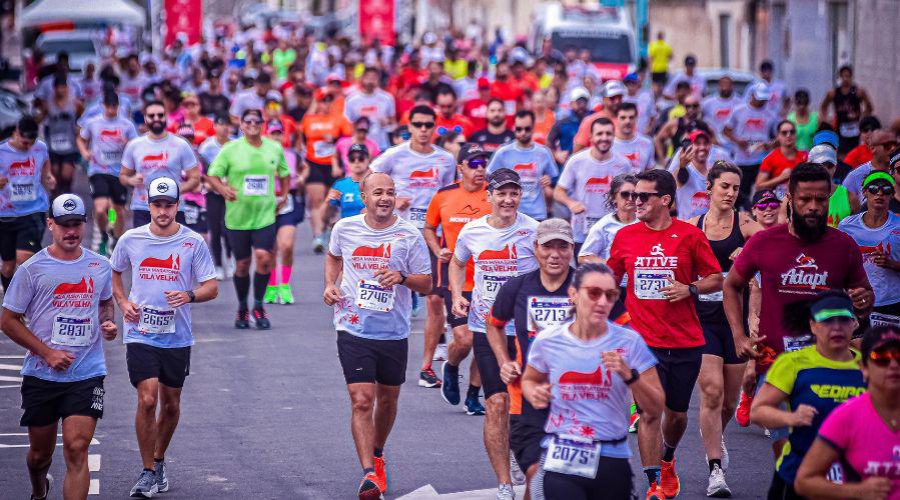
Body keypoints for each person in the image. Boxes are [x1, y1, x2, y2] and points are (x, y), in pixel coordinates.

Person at [724, 163, 872, 460]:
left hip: (829, 365)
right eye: (805, 199)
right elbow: (732, 285)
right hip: (777, 362)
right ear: (790, 198)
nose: (814, 207)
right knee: (788, 450)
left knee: (827, 451)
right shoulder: (764, 242)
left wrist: (862, 301)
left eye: (821, 199)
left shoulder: (843, 246)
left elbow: (864, 296)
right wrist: (739, 337)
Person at [606, 168, 723, 500]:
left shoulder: (689, 236)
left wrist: (690, 288)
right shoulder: (625, 236)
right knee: (648, 412)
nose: (635, 201)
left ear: (665, 200)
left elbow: (716, 278)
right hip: (642, 343)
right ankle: (654, 481)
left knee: (676, 414)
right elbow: (610, 278)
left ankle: (668, 458)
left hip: (685, 340)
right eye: (631, 195)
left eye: (643, 196)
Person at [323, 172, 432, 499]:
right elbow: (333, 256)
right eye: (378, 193)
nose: (384, 198)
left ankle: (378, 452)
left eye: (390, 192)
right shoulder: (345, 228)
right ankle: (369, 473)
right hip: (352, 325)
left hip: (394, 330)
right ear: (364, 197)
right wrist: (330, 285)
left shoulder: (409, 234)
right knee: (361, 400)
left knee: (387, 400)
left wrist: (401, 278)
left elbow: (426, 284)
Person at [0, 194, 116, 500]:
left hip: (87, 371)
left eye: (76, 224)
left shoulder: (100, 266)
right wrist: (47, 352)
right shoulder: (32, 269)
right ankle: (39, 489)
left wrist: (107, 322)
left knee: (77, 448)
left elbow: (105, 302)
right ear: (50, 224)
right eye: (64, 224)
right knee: (39, 456)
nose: (71, 231)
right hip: (42, 376)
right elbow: (8, 320)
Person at [109, 177, 218, 497]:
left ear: (177, 205)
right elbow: (115, 271)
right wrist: (123, 302)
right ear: (148, 204)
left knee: (170, 406)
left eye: (168, 205)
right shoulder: (131, 239)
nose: (162, 211)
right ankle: (146, 471)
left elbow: (211, 287)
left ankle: (159, 460)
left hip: (177, 335)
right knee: (148, 397)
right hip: (141, 331)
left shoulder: (192, 242)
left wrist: (189, 295)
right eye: (157, 205)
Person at [521, 262, 665, 499]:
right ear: (573, 294)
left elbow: (656, 407)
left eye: (610, 295)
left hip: (611, 455)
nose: (602, 302)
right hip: (563, 455)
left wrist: (630, 376)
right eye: (594, 293)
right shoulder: (548, 340)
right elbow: (530, 379)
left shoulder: (630, 342)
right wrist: (533, 392)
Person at [448, 168, 539, 500]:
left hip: (529, 330)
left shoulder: (533, 230)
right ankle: (504, 483)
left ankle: (522, 451)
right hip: (487, 328)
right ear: (489, 196)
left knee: (527, 401)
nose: (507, 199)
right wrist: (458, 295)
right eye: (501, 193)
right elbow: (457, 264)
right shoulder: (472, 232)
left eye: (514, 193)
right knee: (497, 402)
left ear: (520, 197)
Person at [486, 218, 577, 498]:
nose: (555, 254)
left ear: (572, 250)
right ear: (536, 248)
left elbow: (621, 327)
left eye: (562, 247)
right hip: (527, 397)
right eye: (548, 246)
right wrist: (505, 362)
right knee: (537, 474)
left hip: (578, 399)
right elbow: (494, 324)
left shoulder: (586, 286)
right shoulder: (517, 287)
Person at [687, 162, 763, 497]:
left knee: (729, 401)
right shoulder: (693, 227)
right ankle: (714, 469)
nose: (731, 193)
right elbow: (678, 265)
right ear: (709, 188)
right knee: (713, 391)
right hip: (702, 320)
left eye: (735, 188)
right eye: (725, 187)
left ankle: (717, 439)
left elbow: (773, 251)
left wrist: (747, 255)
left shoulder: (745, 224)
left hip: (735, 320)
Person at [749, 290, 866, 499]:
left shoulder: (867, 368)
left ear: (854, 324)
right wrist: (790, 418)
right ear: (813, 325)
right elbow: (758, 412)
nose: (836, 327)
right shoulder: (793, 363)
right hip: (798, 471)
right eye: (827, 320)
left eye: (843, 319)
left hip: (854, 477)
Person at [207, 108, 291, 330]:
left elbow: (284, 173)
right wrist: (223, 190)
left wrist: (283, 195)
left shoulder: (274, 147)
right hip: (238, 217)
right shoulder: (230, 149)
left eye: (257, 121)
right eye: (248, 121)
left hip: (265, 215)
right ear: (241, 125)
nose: (253, 124)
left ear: (262, 124)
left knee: (264, 258)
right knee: (242, 264)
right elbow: (213, 174)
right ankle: (243, 306)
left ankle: (258, 304)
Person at [795, 326, 900, 500]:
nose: (894, 365)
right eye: (881, 357)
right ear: (864, 368)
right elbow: (805, 481)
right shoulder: (847, 416)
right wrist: (857, 491)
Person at [424, 144, 492, 408]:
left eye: (483, 163)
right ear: (460, 167)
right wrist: (437, 248)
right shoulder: (443, 196)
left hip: (490, 279)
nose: (480, 169)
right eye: (473, 164)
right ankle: (451, 366)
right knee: (465, 338)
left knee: (486, 340)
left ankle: (474, 394)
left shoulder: (493, 195)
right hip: (458, 278)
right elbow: (429, 227)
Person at [554, 117, 632, 254]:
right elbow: (558, 192)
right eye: (599, 134)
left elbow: (631, 195)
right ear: (591, 137)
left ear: (614, 136)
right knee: (584, 273)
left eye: (608, 134)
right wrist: (571, 203)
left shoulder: (623, 163)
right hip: (582, 230)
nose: (604, 137)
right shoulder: (576, 160)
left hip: (612, 229)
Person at [120, 100, 201, 228]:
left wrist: (175, 190)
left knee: (173, 248)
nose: (156, 118)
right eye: (151, 116)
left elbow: (195, 178)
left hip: (173, 207)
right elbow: (123, 176)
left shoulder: (181, 144)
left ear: (166, 117)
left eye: (160, 115)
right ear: (145, 119)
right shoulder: (134, 145)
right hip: (143, 207)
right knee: (144, 248)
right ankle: (108, 231)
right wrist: (131, 180)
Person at [77, 91, 137, 255]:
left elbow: (136, 146)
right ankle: (104, 235)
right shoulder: (93, 123)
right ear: (103, 106)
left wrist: (128, 145)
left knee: (119, 210)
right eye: (109, 106)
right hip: (98, 170)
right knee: (100, 208)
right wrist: (84, 152)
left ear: (118, 106)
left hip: (120, 172)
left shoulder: (127, 125)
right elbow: (81, 138)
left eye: (114, 106)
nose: (111, 110)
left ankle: (116, 240)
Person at [838, 172, 900, 327]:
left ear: (892, 194)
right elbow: (838, 263)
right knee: (854, 347)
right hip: (856, 300)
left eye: (885, 189)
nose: (879, 193)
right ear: (864, 192)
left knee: (887, 350)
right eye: (873, 188)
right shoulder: (846, 225)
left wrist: (892, 264)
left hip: (891, 302)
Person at [0, 116, 54, 292]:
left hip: (33, 210)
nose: (28, 147)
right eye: (24, 143)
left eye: (31, 143)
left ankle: (33, 296)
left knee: (24, 257)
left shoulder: (40, 147)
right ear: (16, 133)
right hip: (6, 215)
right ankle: (11, 302)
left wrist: (48, 176)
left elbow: (45, 164)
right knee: (7, 267)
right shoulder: (2, 152)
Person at [298, 89, 353, 253]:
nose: (325, 104)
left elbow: (349, 138)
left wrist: (335, 139)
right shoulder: (309, 119)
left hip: (333, 165)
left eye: (329, 100)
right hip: (313, 163)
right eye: (322, 100)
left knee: (330, 202)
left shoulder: (339, 119)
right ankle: (317, 236)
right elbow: (301, 138)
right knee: (316, 200)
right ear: (317, 103)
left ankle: (327, 226)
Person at [263, 121, 306, 305]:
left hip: (286, 202)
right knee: (271, 248)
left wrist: (302, 178)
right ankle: (272, 285)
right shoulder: (260, 155)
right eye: (273, 133)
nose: (276, 137)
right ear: (267, 135)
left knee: (286, 245)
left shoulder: (291, 155)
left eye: (279, 133)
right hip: (265, 205)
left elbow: (303, 167)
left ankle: (285, 285)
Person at [487, 110, 558, 221]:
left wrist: (549, 180)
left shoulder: (544, 152)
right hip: (510, 212)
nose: (523, 132)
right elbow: (489, 177)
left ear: (534, 127)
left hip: (537, 214)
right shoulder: (503, 152)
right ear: (514, 128)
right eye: (519, 129)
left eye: (527, 129)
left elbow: (555, 179)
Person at [723, 82, 779, 209]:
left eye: (764, 99)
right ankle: (742, 215)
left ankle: (759, 213)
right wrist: (737, 141)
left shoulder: (770, 114)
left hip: (762, 160)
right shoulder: (739, 111)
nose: (762, 102)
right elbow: (726, 130)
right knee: (741, 193)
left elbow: (777, 137)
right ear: (753, 95)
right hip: (742, 160)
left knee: (763, 191)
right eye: (760, 99)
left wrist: (769, 144)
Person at [198, 115, 234, 280]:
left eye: (227, 125)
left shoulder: (235, 144)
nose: (224, 128)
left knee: (230, 228)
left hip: (231, 192)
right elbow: (201, 170)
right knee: (215, 229)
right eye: (221, 124)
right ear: (215, 127)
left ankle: (230, 258)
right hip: (213, 192)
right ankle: (218, 265)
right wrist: (211, 183)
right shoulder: (206, 147)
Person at [579, 173, 638, 265]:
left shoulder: (646, 222)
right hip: (615, 278)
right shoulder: (604, 225)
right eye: (625, 194)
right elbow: (584, 257)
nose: (630, 199)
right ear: (614, 197)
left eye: (635, 195)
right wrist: (611, 265)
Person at [819, 65, 874, 155]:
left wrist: (863, 118)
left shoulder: (858, 91)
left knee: (856, 151)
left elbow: (870, 107)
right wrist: (826, 120)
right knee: (841, 153)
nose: (845, 79)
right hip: (840, 127)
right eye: (843, 76)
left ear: (851, 77)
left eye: (848, 76)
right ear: (840, 77)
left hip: (855, 127)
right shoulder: (833, 93)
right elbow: (823, 106)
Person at [43, 74, 83, 198]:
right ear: (54, 89)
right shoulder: (47, 104)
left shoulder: (75, 103)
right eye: (58, 87)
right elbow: (41, 119)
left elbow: (82, 118)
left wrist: (79, 127)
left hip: (69, 144)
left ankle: (67, 196)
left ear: (67, 88)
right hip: (53, 144)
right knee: (55, 175)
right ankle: (56, 200)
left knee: (66, 175)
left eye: (63, 87)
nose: (60, 90)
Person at [344, 67, 396, 150]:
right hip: (359, 146)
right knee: (357, 162)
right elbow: (346, 126)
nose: (370, 81)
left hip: (381, 145)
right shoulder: (351, 100)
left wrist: (387, 123)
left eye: (374, 78)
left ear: (378, 80)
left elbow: (394, 123)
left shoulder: (387, 98)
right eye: (368, 77)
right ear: (362, 78)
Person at [654, 94, 714, 163]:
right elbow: (658, 140)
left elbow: (714, 144)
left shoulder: (703, 125)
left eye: (694, 106)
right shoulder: (674, 124)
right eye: (688, 106)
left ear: (699, 107)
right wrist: (662, 160)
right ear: (683, 106)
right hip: (678, 165)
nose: (691, 109)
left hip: (698, 165)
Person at [755, 120, 809, 197]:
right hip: (778, 204)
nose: (788, 135)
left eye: (792, 132)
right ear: (778, 136)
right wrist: (781, 178)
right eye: (784, 133)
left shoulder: (805, 156)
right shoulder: (770, 159)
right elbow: (758, 187)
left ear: (796, 134)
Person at [842, 129, 898, 199]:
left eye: (895, 145)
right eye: (887, 145)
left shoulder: (898, 173)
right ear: (872, 148)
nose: (893, 149)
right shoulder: (855, 176)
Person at [328, 143, 371, 222]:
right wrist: (328, 202)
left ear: (368, 160)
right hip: (348, 231)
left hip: (373, 230)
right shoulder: (340, 185)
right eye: (352, 159)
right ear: (347, 161)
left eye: (361, 158)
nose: (356, 162)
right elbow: (328, 217)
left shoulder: (377, 183)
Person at [701, 75, 743, 155]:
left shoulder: (740, 102)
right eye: (723, 84)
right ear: (718, 86)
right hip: (714, 144)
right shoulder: (706, 103)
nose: (725, 87)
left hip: (734, 146)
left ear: (732, 86)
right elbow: (701, 122)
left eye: (728, 85)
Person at [612, 102, 655, 172]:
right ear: (616, 119)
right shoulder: (609, 144)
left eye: (631, 117)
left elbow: (650, 172)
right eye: (623, 118)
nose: (627, 121)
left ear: (636, 118)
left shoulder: (647, 143)